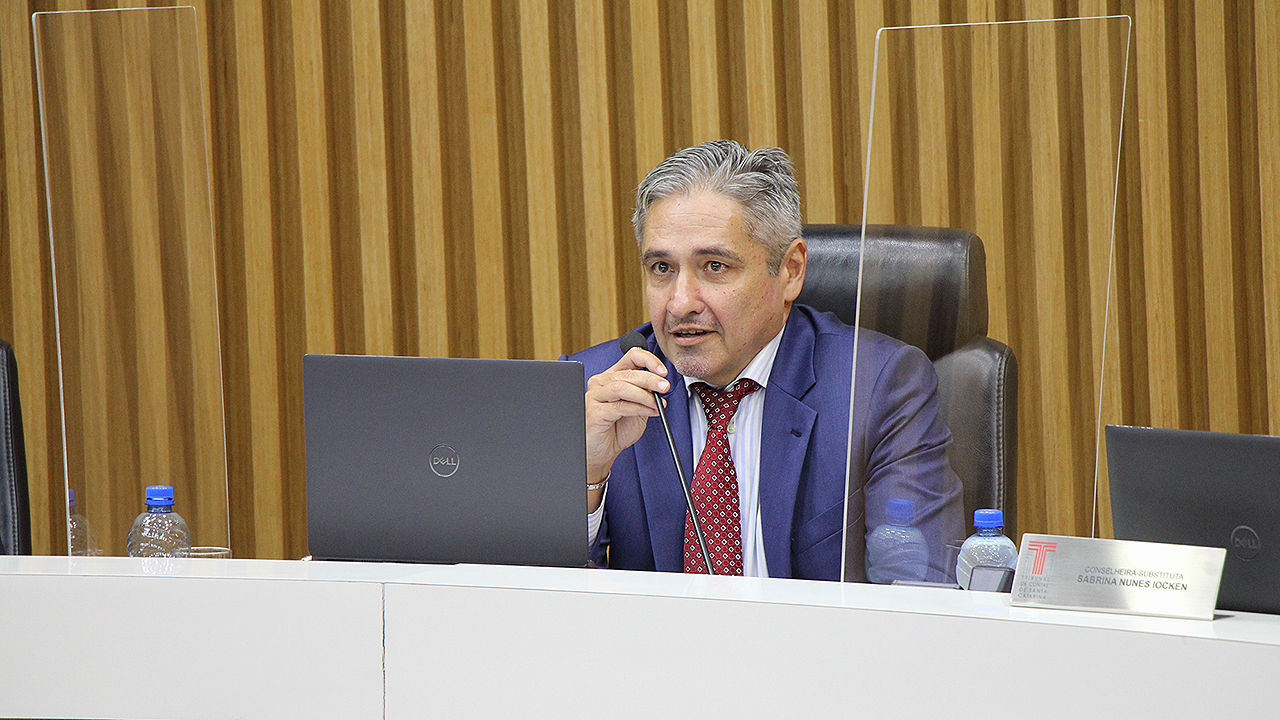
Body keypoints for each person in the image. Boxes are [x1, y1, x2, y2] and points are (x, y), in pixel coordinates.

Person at [568, 140, 963, 582]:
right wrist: (586, 475)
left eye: (714, 266)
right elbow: (527, 605)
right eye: (662, 268)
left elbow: (920, 593)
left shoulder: (876, 386)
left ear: (790, 270)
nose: (679, 303)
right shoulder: (591, 390)